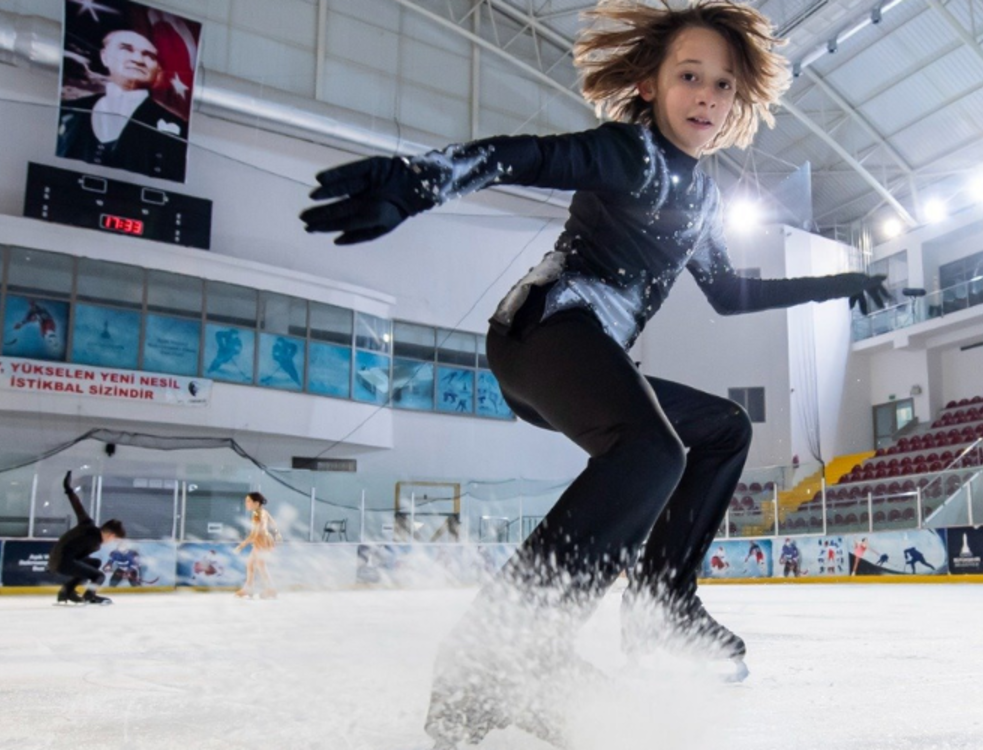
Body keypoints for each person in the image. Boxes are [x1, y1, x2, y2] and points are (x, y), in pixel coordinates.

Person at [301, 2, 890, 744]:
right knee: (652, 452)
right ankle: (495, 652)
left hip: (585, 355)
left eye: (723, 86)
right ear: (648, 83)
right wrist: (420, 181)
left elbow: (733, 294)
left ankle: (658, 609)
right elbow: (524, 155)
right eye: (689, 77)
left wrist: (835, 285)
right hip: (543, 332)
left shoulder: (703, 196)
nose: (707, 97)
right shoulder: (629, 153)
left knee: (719, 432)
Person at [57, 28, 189, 181]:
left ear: (158, 69)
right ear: (105, 56)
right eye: (126, 49)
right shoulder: (68, 111)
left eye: (149, 56)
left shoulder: (178, 129)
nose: (138, 60)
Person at [47, 471, 124, 605]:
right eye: (114, 539)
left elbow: (78, 508)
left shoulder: (87, 524)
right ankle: (90, 596)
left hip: (59, 559)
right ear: (111, 535)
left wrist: (69, 490)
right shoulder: (91, 533)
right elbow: (78, 507)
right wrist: (68, 490)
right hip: (61, 561)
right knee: (99, 576)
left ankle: (66, 591)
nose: (112, 542)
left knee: (95, 563)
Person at [233, 492, 278, 599]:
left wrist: (242, 545)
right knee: (250, 564)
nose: (246, 503)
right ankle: (248, 589)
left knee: (260, 565)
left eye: (248, 501)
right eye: (246, 501)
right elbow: (273, 524)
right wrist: (273, 535)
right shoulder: (263, 512)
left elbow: (255, 533)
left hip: (261, 541)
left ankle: (271, 589)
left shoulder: (257, 514)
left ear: (256, 503)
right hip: (263, 540)